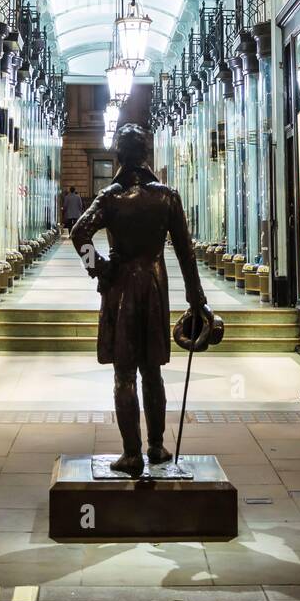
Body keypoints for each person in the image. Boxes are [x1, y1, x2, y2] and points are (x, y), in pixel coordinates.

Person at [71, 123, 210, 477]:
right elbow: (185, 252)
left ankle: (131, 453)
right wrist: (198, 300)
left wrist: (99, 268)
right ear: (146, 155)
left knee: (124, 374)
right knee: (153, 370)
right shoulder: (167, 196)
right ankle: (157, 446)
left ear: (120, 155)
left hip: (120, 287)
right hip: (154, 284)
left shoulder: (111, 197)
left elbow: (79, 232)